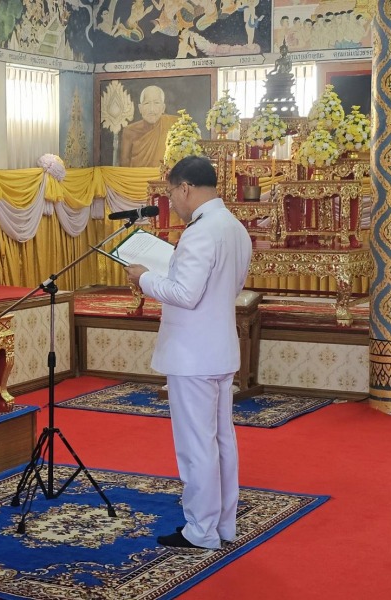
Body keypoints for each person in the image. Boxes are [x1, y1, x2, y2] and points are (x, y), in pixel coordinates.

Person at [124, 156, 252, 549]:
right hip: (219, 347)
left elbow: (185, 294)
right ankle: (223, 525)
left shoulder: (200, 232)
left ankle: (200, 530)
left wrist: (144, 277)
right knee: (220, 441)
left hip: (193, 353)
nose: (172, 203)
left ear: (185, 189)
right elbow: (225, 288)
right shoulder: (234, 228)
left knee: (197, 445)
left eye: (171, 194)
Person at [119, 86, 179, 168]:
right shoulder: (130, 131)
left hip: (164, 178)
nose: (151, 109)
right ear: (140, 108)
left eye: (156, 103)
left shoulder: (174, 124)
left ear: (163, 108)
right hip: (136, 178)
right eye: (147, 103)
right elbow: (124, 163)